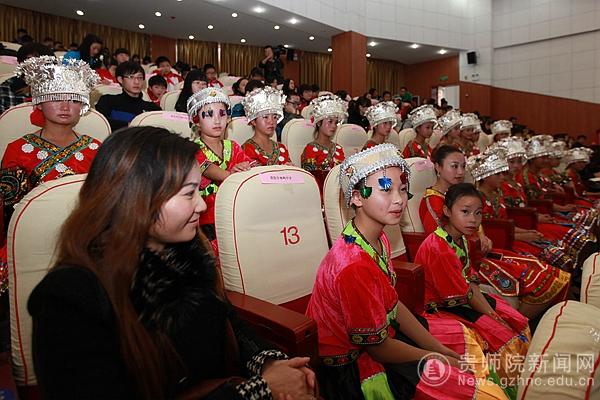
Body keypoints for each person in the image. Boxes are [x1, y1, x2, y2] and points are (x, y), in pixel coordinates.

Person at [28, 126, 317, 399]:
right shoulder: (69, 297)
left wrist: (268, 363)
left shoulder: (187, 251)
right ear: (138, 199)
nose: (201, 205)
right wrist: (262, 389)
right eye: (189, 193)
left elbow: (226, 321)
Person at [306, 144, 508, 400]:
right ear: (357, 197)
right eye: (386, 189)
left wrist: (440, 349)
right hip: (353, 365)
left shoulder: (376, 238)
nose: (399, 199)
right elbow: (378, 349)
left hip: (382, 335)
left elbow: (392, 302)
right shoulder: (353, 264)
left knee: (467, 349)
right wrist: (436, 356)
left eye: (402, 189)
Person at [0, 56, 102, 294]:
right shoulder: (17, 149)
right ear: (39, 102)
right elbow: (9, 211)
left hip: (85, 237)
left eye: (73, 100)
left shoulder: (97, 149)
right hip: (31, 239)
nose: (65, 106)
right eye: (56, 98)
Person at [415, 183, 530, 382]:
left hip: (463, 299)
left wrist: (492, 312)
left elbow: (470, 281)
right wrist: (491, 315)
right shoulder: (439, 248)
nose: (473, 219)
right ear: (447, 211)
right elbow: (462, 293)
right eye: (465, 212)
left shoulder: (462, 239)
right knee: (501, 335)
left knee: (515, 320)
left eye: (478, 213)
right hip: (440, 307)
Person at [466, 148, 571, 318]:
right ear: (484, 176)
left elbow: (505, 223)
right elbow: (493, 230)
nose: (502, 178)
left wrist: (526, 232)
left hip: (505, 240)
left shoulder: (497, 193)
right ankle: (523, 321)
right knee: (542, 270)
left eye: (503, 173)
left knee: (555, 261)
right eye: (498, 174)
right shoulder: (477, 200)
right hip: (496, 246)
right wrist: (522, 235)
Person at [187, 87, 252, 241]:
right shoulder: (193, 149)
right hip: (207, 218)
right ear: (196, 121)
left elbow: (249, 167)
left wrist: (245, 169)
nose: (217, 120)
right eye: (209, 115)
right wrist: (231, 175)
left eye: (222, 114)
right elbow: (207, 168)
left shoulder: (233, 146)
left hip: (236, 210)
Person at [96, 61, 160, 131]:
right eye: (131, 77)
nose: (136, 82)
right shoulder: (108, 101)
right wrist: (128, 125)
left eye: (140, 77)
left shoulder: (152, 108)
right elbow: (100, 123)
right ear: (120, 79)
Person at [241, 87, 291, 166]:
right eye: (265, 117)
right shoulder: (248, 149)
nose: (271, 122)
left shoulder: (281, 147)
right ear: (253, 121)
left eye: (275, 117)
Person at [0, 42, 54, 114]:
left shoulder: (57, 87)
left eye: (41, 60)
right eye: (30, 59)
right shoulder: (6, 88)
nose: (36, 64)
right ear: (21, 64)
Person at [301, 94, 347, 172]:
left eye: (336, 123)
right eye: (330, 121)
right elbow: (310, 176)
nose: (334, 126)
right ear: (319, 123)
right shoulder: (310, 149)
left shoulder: (338, 148)